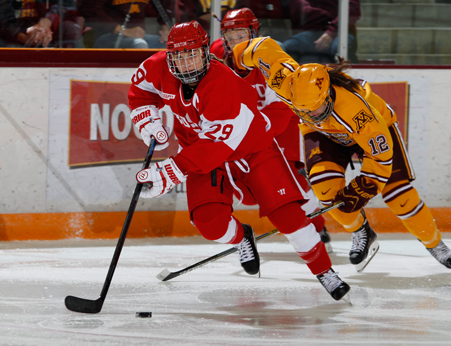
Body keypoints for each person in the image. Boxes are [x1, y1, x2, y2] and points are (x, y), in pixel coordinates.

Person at [128, 20, 350, 302]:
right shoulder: (158, 66)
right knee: (209, 223)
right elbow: (141, 91)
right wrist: (146, 116)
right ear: (170, 54)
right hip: (202, 153)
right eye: (178, 55)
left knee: (289, 217)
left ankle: (324, 272)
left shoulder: (221, 84)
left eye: (192, 53)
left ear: (205, 52)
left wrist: (173, 170)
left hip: (252, 149)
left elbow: (216, 144)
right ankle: (242, 238)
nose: (185, 62)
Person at [231, 36, 451, 273]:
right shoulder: (284, 80)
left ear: (327, 95)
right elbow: (261, 47)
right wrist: (235, 61)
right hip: (323, 133)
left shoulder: (358, 112)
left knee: (399, 194)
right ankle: (362, 232)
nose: (310, 113)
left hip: (371, 135)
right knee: (327, 192)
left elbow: (381, 157)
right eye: (303, 110)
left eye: (315, 109)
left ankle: (435, 244)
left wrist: (366, 185)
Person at [210, 7, 334, 252]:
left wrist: (251, 133)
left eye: (241, 34)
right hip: (240, 128)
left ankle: (317, 226)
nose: (235, 41)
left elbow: (279, 108)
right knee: (249, 190)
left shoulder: (269, 55)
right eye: (230, 35)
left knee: (293, 181)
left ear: (254, 33)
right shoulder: (215, 53)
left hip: (279, 124)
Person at [254, 0, 361, 63]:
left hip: (339, 32)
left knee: (342, 51)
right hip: (307, 34)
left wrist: (331, 32)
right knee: (285, 51)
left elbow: (353, 8)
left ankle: (353, 85)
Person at [77, 0, 171, 49]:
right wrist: (124, 31)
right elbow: (89, 8)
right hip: (104, 36)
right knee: (139, 45)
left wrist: (166, 29)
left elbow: (164, 2)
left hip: (138, 36)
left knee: (169, 46)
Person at [175, 0, 254, 34]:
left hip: (235, 38)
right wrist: (227, 19)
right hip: (201, 43)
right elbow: (187, 25)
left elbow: (245, 18)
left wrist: (210, 18)